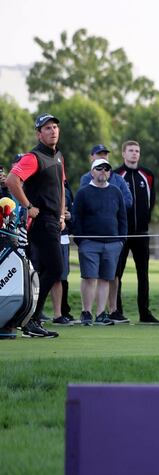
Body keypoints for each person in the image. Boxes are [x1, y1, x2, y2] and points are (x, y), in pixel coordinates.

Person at [4, 113, 67, 338]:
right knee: (55, 269)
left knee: (45, 270)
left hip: (52, 220)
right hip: (39, 221)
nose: (53, 131)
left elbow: (60, 186)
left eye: (55, 127)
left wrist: (61, 215)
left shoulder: (58, 155)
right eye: (47, 128)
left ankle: (29, 318)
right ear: (39, 134)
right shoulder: (34, 157)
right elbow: (12, 180)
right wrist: (28, 205)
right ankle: (32, 319)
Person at [72, 159, 127, 326]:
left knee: (105, 279)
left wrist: (121, 240)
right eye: (99, 168)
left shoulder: (116, 191)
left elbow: (122, 218)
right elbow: (77, 218)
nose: (103, 171)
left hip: (112, 243)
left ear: (110, 173)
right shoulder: (83, 192)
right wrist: (80, 240)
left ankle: (101, 313)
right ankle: (86, 312)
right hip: (89, 242)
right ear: (92, 172)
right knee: (89, 277)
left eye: (106, 169)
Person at [112, 140, 159, 324]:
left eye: (137, 151)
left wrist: (145, 221)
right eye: (130, 150)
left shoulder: (148, 175)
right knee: (117, 273)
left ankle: (144, 313)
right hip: (121, 233)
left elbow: (151, 201)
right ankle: (116, 311)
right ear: (124, 153)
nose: (134, 154)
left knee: (143, 274)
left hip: (141, 233)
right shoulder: (116, 174)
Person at [50, 178, 76, 326]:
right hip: (45, 235)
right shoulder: (41, 187)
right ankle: (35, 314)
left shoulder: (66, 190)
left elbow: (71, 212)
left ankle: (58, 314)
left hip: (63, 237)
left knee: (60, 277)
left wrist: (69, 217)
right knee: (44, 276)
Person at [79, 144, 133, 209]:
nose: (103, 156)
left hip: (115, 218)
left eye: (105, 154)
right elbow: (84, 201)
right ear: (91, 157)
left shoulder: (119, 179)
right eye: (99, 154)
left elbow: (128, 201)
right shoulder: (86, 178)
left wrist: (111, 208)